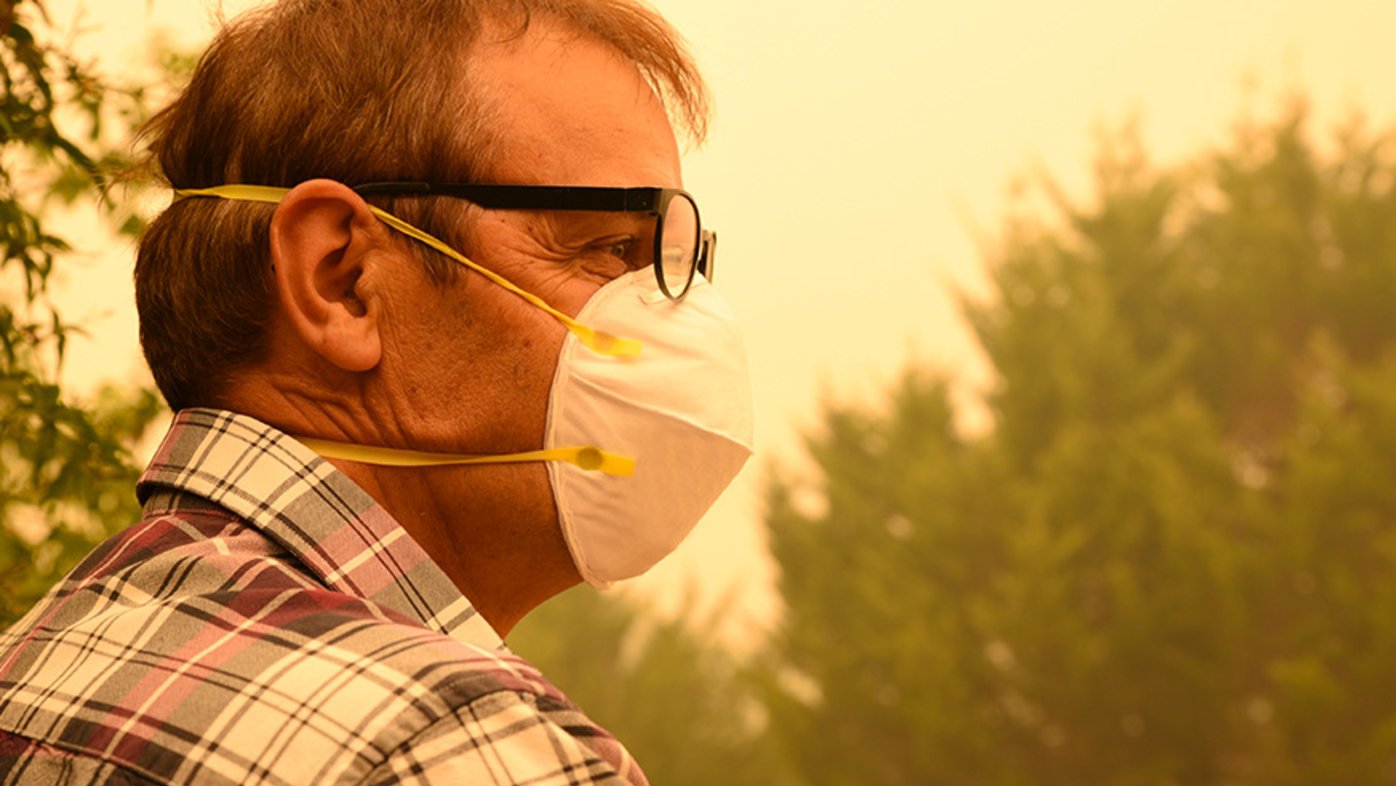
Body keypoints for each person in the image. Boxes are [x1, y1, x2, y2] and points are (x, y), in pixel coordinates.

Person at [0, 0, 753, 783]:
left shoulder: (34, 666)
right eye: (607, 249)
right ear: (343, 283)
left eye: (678, 261)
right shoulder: (454, 750)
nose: (675, 320)